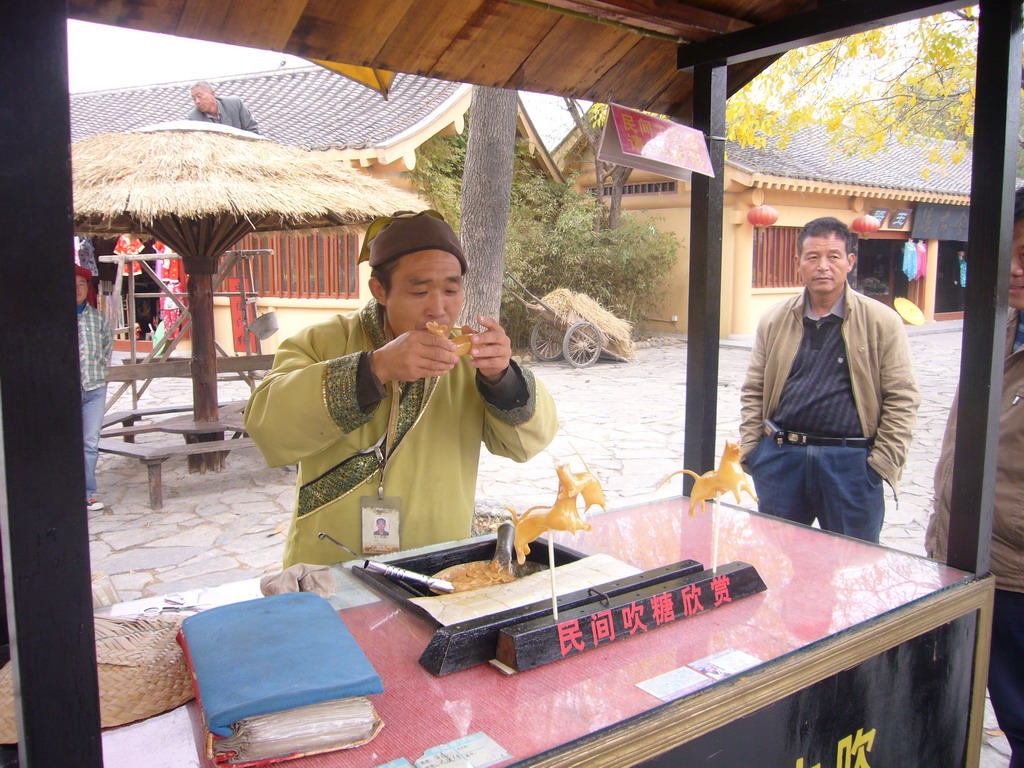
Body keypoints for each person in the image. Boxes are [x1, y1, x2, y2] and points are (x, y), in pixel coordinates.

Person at [244, 210, 559, 566]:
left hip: (440, 557)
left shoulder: (470, 357)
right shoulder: (321, 341)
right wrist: (375, 368)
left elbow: (526, 443)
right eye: (420, 290)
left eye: (451, 290)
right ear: (380, 290)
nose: (439, 309)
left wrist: (503, 379)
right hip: (331, 557)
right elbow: (267, 426)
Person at [739, 216, 919, 543]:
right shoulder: (776, 320)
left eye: (833, 256)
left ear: (850, 262)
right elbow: (754, 389)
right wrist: (753, 450)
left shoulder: (881, 322)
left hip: (851, 465)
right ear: (799, 264)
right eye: (813, 257)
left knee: (852, 568)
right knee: (776, 562)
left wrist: (879, 464)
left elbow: (902, 398)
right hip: (783, 458)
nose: (823, 266)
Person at [926, 187, 1024, 768]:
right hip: (966, 555)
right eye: (1005, 250)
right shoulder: (1001, 329)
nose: (1012, 267)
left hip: (1014, 573)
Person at [76, 264, 113, 512]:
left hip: (95, 387)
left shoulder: (98, 319)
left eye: (81, 284)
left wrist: (98, 372)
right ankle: (64, 490)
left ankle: (87, 492)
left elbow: (106, 350)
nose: (77, 289)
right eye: (72, 284)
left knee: (90, 442)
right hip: (66, 390)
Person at [187, 81, 259, 133]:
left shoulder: (235, 104)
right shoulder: (194, 118)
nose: (197, 101)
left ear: (212, 93)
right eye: (194, 99)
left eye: (199, 96)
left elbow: (252, 129)